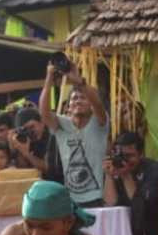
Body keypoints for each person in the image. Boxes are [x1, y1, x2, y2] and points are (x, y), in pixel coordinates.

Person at [39, 62, 109, 207]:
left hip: (99, 197)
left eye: (83, 98)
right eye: (74, 98)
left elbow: (97, 103)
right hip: (71, 199)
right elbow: (44, 112)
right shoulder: (62, 125)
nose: (77, 101)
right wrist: (49, 77)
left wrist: (78, 80)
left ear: (91, 105)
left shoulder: (99, 122)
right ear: (68, 106)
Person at [9, 107, 52, 174]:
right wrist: (16, 149)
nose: (30, 132)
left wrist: (26, 153)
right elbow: (23, 170)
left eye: (32, 127)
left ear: (42, 123)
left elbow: (48, 168)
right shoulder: (26, 140)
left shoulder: (52, 138)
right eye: (25, 129)